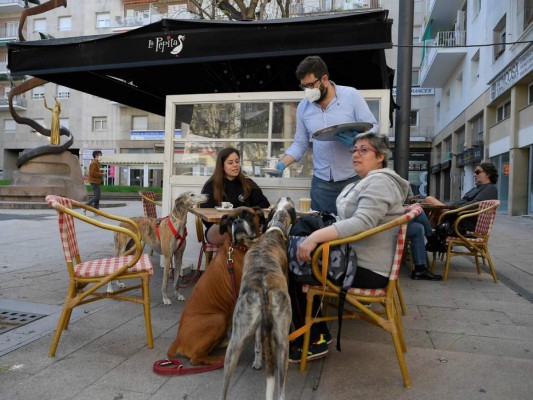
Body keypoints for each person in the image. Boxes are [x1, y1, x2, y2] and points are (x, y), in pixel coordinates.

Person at [288, 132, 409, 363]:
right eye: (354, 150)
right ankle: (315, 333)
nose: (356, 154)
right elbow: (350, 218)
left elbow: (363, 222)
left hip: (366, 269)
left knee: (295, 265)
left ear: (380, 156)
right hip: (357, 260)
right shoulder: (366, 181)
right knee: (297, 256)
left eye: (364, 150)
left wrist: (315, 237)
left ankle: (314, 340)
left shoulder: (380, 182)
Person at [275, 55, 378, 214]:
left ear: (324, 79)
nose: (308, 91)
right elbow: (300, 143)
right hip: (321, 183)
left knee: (353, 231)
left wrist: (358, 141)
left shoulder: (351, 96)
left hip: (353, 178)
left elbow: (374, 128)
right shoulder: (304, 107)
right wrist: (281, 164)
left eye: (310, 85)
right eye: (304, 87)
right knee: (320, 231)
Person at [201, 147, 270, 245]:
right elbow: (205, 216)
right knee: (234, 229)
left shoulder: (248, 184)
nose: (235, 165)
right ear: (222, 165)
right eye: (230, 163)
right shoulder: (211, 185)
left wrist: (247, 215)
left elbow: (263, 205)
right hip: (221, 230)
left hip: (248, 228)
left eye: (237, 162)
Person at [423, 162, 499, 233]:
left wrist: (451, 209)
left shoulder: (490, 189)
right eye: (474, 172)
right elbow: (466, 203)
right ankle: (430, 239)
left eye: (477, 172)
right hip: (458, 217)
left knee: (429, 199)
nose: (474, 175)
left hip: (463, 222)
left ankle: (426, 236)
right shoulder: (477, 188)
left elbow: (475, 205)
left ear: (488, 174)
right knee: (431, 215)